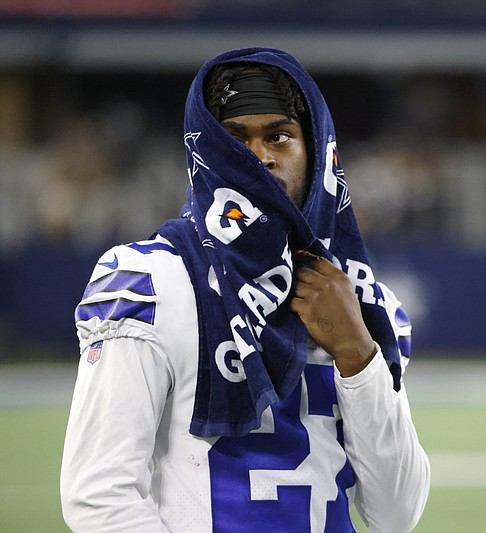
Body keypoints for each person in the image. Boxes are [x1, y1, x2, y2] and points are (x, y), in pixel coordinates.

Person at [60, 48, 430, 532]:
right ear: (205, 152)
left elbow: (396, 515)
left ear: (317, 151)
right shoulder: (150, 281)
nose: (260, 157)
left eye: (280, 136)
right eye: (234, 138)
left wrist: (359, 354)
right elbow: (97, 497)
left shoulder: (363, 300)